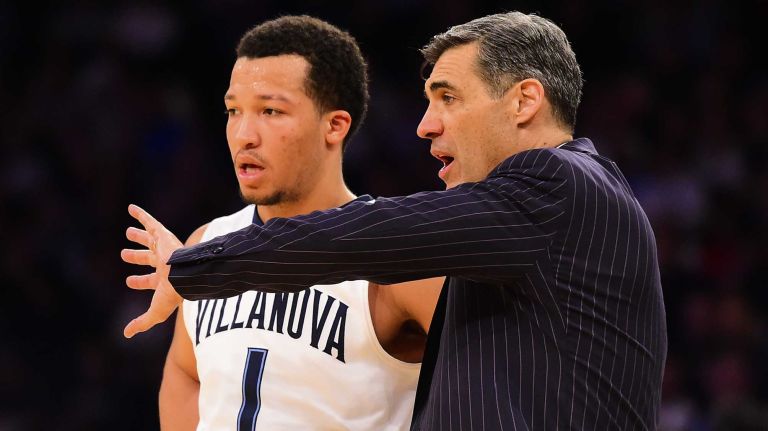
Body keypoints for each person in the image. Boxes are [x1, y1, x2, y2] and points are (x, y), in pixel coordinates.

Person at [123, 11, 667, 430]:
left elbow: (366, 236)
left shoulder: (558, 186)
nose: (425, 126)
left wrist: (191, 269)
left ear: (524, 100)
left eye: (448, 97)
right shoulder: (526, 230)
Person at [125, 16, 442, 430]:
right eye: (233, 111)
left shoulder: (395, 257)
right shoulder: (209, 241)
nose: (244, 135)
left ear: (335, 125)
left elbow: (497, 383)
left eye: (270, 111)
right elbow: (185, 371)